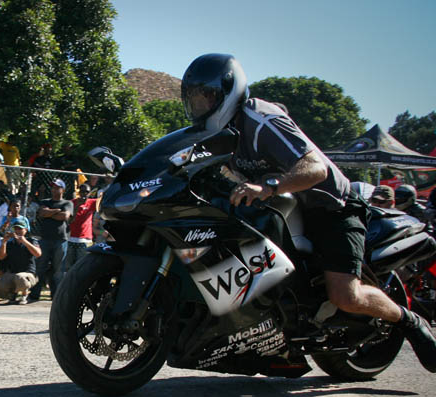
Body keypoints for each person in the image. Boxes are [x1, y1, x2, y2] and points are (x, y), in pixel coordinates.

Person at [181, 52, 436, 368]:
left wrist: (268, 186)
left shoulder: (260, 120)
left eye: (207, 96)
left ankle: (409, 320)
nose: (201, 104)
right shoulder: (220, 134)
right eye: (195, 98)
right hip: (284, 211)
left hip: (330, 207)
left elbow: (316, 168)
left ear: (228, 91)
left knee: (346, 295)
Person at [28, 178, 73, 302]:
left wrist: (50, 213)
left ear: (62, 189)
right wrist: (57, 211)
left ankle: (56, 296)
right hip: (45, 240)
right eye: (53, 187)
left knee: (58, 270)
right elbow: (42, 213)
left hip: (61, 240)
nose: (54, 189)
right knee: (40, 268)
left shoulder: (67, 203)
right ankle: (34, 295)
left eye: (57, 187)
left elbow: (65, 216)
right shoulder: (45, 201)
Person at [0, 220, 41, 304]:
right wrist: (4, 242)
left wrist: (24, 241)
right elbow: (1, 257)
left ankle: (24, 295)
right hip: (13, 273)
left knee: (20, 277)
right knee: (3, 281)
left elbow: (38, 254)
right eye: (16, 229)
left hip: (29, 274)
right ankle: (12, 295)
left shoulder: (31, 241)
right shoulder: (10, 243)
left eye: (20, 229)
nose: (18, 231)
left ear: (26, 230)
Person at [64, 183, 96, 272]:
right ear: (79, 192)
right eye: (82, 191)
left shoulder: (92, 202)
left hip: (85, 240)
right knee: (67, 267)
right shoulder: (72, 202)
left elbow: (105, 198)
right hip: (70, 239)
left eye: (87, 192)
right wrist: (78, 206)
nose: (84, 194)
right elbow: (69, 221)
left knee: (82, 267)